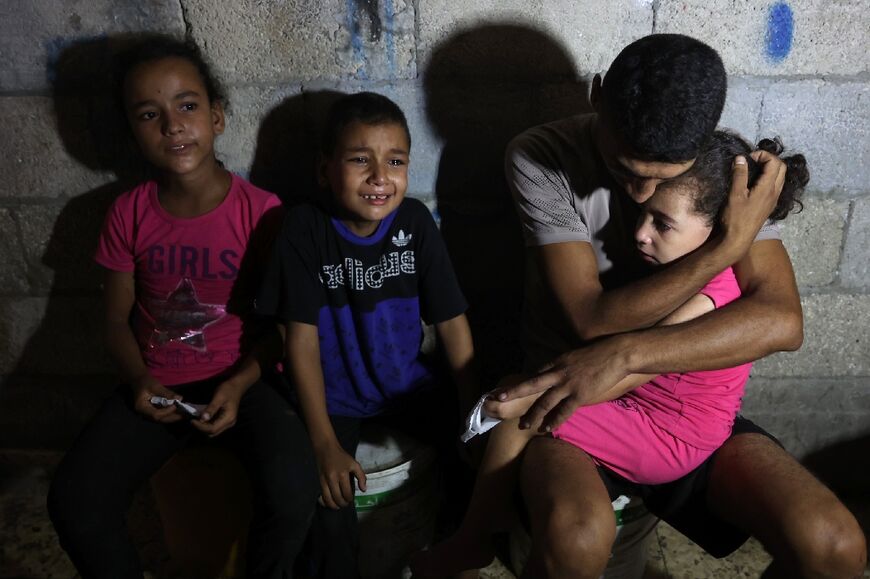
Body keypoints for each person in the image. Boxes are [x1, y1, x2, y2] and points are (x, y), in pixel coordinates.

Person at [493, 33, 866, 579]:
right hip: (579, 390)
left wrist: (627, 357)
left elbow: (781, 321)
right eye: (624, 169)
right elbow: (590, 319)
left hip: (679, 404)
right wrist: (727, 247)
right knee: (576, 539)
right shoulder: (541, 155)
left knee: (834, 545)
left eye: (661, 179)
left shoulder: (720, 169)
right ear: (596, 96)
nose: (641, 195)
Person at [412, 131, 808, 577]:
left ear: (718, 230)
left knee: (520, 412)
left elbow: (634, 369)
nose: (640, 234)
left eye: (662, 224)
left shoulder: (711, 290)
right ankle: (485, 526)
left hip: (672, 438)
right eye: (643, 215)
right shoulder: (683, 268)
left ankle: (475, 537)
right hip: (650, 412)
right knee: (524, 402)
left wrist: (527, 396)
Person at [46, 36, 319, 579]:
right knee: (75, 503)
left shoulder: (262, 213)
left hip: (244, 381)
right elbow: (114, 321)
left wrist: (240, 385)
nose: (172, 125)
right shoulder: (128, 214)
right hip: (157, 385)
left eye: (187, 106)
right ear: (132, 131)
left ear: (217, 117)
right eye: (150, 114)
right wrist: (140, 381)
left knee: (293, 490)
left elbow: (283, 327)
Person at [254, 91, 478, 578]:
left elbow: (452, 321)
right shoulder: (305, 229)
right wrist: (323, 444)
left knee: (481, 456)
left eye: (394, 161)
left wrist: (469, 408)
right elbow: (300, 341)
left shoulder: (415, 223)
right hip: (334, 399)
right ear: (324, 169)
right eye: (360, 160)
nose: (380, 176)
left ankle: (452, 551)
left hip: (404, 385)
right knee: (331, 510)